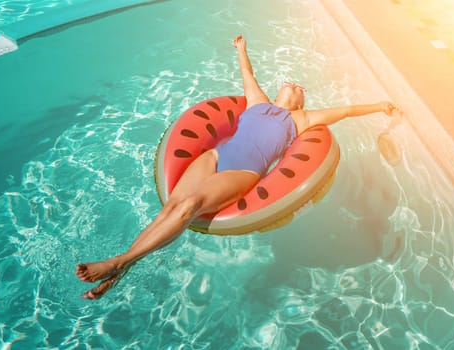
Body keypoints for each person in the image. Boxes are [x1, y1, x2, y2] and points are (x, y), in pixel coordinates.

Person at [75, 35, 401, 299]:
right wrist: (241, 48)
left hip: (242, 171)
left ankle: (118, 261)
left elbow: (346, 111)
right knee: (172, 205)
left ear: (301, 101)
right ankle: (115, 277)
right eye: (289, 82)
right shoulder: (257, 101)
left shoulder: (301, 119)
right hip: (216, 156)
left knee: (188, 206)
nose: (292, 84)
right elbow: (249, 73)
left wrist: (379, 106)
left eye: (298, 86)